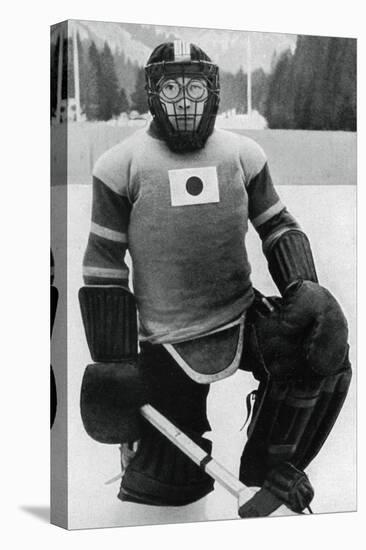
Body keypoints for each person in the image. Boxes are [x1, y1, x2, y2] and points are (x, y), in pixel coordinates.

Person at [81, 40, 351, 513]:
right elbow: (104, 265)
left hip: (241, 316)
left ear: (214, 92)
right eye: (171, 87)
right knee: (166, 488)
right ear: (152, 93)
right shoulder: (118, 167)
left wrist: (303, 289)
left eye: (194, 87)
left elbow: (278, 225)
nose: (184, 101)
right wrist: (114, 359)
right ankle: (149, 458)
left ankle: (271, 465)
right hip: (167, 335)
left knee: (318, 344)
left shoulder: (243, 155)